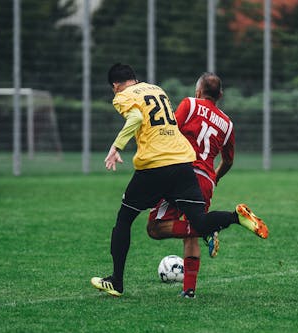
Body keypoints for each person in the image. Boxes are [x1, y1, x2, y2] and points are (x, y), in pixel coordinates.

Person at [90, 63, 268, 297]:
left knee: (127, 220)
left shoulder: (130, 96)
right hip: (185, 165)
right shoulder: (157, 90)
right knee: (200, 223)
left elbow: (137, 118)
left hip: (156, 164)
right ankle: (235, 218)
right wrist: (213, 178)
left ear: (115, 86)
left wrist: (116, 146)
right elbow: (173, 129)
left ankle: (117, 282)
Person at [146, 72, 235, 298]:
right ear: (220, 95)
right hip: (205, 181)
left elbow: (170, 131)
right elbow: (229, 160)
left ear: (198, 91)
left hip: (180, 173)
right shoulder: (227, 123)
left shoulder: (190, 104)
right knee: (192, 234)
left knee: (155, 228)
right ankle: (189, 290)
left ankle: (205, 227)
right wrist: (214, 178)